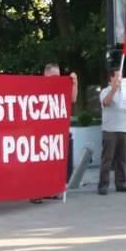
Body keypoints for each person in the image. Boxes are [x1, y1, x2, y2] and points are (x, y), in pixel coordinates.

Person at [32, 63, 79, 202]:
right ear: (45, 75)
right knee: (38, 165)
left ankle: (51, 190)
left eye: (58, 76)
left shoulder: (59, 88)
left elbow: (73, 98)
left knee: (53, 164)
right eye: (54, 76)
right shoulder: (36, 87)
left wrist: (75, 83)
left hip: (56, 134)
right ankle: (36, 192)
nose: (57, 79)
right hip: (40, 133)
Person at [98, 67, 126, 195]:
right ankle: (103, 185)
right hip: (110, 130)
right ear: (111, 78)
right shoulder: (105, 91)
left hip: (124, 129)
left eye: (121, 76)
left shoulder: (125, 91)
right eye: (118, 76)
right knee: (107, 159)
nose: (120, 79)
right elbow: (106, 102)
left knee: (122, 159)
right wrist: (114, 89)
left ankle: (121, 183)